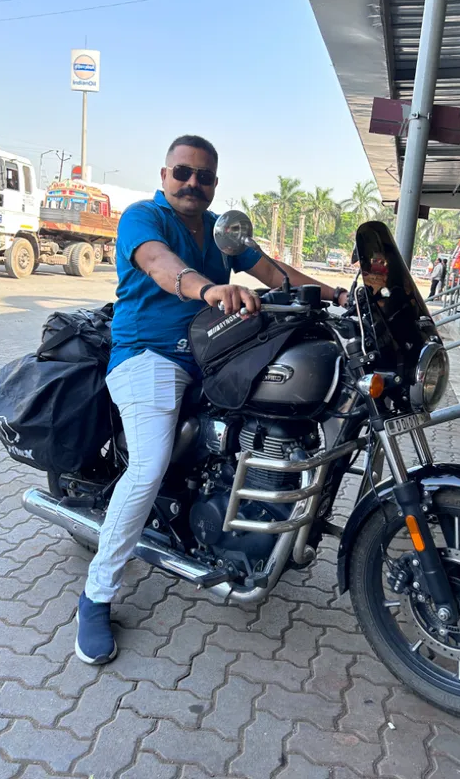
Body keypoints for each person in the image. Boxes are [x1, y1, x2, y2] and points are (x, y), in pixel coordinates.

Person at [76, 134, 350, 664]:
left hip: (211, 355)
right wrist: (208, 290)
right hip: (146, 356)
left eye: (203, 176)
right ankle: (96, 594)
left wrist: (337, 295)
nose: (192, 184)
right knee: (150, 464)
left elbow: (273, 272)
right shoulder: (143, 217)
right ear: (164, 175)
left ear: (215, 183)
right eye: (182, 173)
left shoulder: (224, 229)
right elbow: (160, 264)